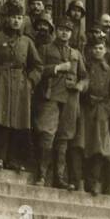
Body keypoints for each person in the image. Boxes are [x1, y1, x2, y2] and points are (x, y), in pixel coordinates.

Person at [0, 2, 42, 171]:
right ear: (6, 19)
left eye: (19, 18)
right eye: (13, 17)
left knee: (18, 121)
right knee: (1, 119)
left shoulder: (27, 42)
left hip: (21, 85)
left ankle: (12, 159)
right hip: (3, 82)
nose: (16, 21)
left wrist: (30, 81)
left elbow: (38, 66)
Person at [34, 14, 86, 189]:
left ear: (71, 34)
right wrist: (57, 68)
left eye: (68, 31)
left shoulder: (76, 54)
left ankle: (59, 178)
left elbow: (86, 78)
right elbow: (38, 70)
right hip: (51, 96)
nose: (64, 34)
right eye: (62, 30)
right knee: (47, 135)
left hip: (70, 100)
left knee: (64, 139)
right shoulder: (46, 49)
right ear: (56, 31)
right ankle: (41, 175)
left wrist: (80, 85)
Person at [81, 35, 110, 196]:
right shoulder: (84, 67)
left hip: (100, 116)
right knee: (82, 145)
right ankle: (79, 179)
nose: (97, 51)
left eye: (100, 48)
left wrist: (105, 110)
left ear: (105, 50)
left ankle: (93, 183)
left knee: (98, 149)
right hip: (84, 110)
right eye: (94, 48)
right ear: (89, 50)